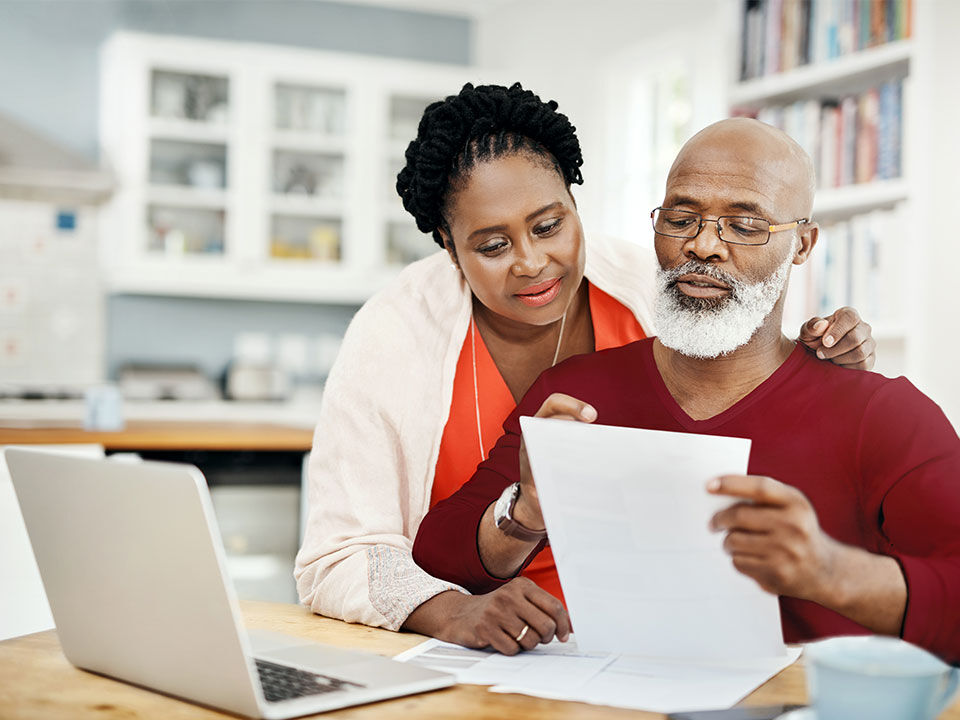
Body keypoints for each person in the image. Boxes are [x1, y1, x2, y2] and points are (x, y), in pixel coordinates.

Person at [294, 83, 878, 653]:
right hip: (482, 649)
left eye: (549, 226)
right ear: (449, 247)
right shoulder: (393, 334)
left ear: (575, 204)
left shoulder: (656, 293)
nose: (531, 262)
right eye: (492, 246)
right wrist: (452, 612)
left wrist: (828, 364)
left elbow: (752, 409)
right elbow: (338, 556)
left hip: (652, 635)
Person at [412, 118, 960, 662]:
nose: (703, 246)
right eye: (681, 218)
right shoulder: (573, 393)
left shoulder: (885, 414)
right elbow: (438, 553)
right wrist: (528, 510)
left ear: (802, 244)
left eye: (745, 226)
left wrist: (828, 570)